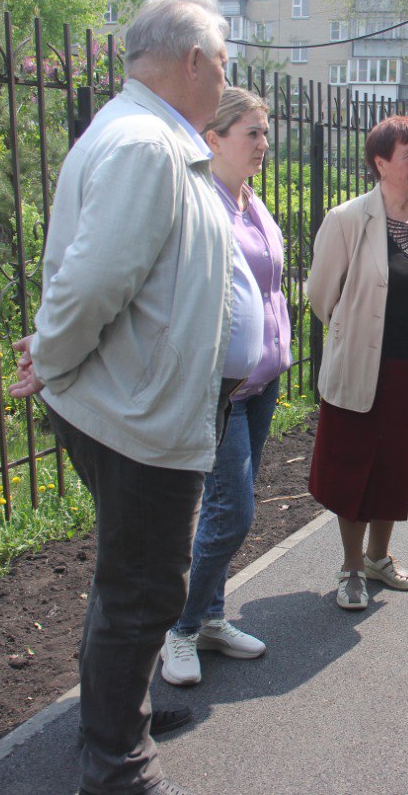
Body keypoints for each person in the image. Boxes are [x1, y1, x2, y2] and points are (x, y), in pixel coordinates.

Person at [7, 0, 231, 795]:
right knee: (142, 591)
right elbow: (88, 283)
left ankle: (119, 717)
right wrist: (55, 362)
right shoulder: (145, 143)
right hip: (134, 416)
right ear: (195, 60)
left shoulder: (151, 135)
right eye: (224, 63)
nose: (226, 81)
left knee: (128, 579)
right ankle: (116, 766)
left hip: (142, 408)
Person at [160, 87, 292, 686]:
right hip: (222, 390)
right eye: (252, 133)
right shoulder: (201, 205)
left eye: (266, 133)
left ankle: (210, 618)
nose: (264, 144)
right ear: (213, 139)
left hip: (261, 384)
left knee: (229, 506)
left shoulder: (251, 203)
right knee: (232, 512)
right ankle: (179, 629)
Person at [305, 115, 408, 612]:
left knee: (395, 467)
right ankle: (350, 567)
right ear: (380, 163)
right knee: (354, 469)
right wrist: (356, 333)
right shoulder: (348, 219)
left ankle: (379, 558)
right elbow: (322, 296)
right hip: (364, 368)